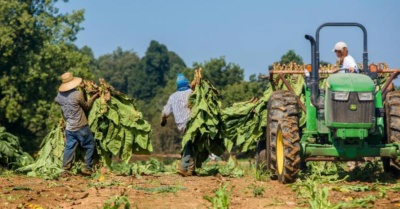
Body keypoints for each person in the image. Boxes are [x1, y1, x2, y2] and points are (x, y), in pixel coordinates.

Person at [55, 72, 99, 176]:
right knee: (90, 145)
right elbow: (87, 106)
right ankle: (87, 167)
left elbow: (56, 100)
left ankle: (65, 169)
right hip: (81, 126)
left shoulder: (59, 96)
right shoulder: (78, 94)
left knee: (69, 147)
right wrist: (93, 97)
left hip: (69, 127)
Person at [161, 73, 194, 177]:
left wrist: (163, 120)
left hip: (180, 125)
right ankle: (183, 167)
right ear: (187, 84)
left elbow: (165, 112)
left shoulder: (172, 97)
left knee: (191, 143)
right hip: (192, 122)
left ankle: (191, 169)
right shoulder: (192, 92)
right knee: (190, 143)